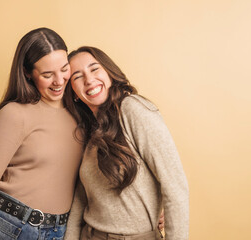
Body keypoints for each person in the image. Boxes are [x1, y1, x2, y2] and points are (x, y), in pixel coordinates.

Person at [0, 28, 84, 240]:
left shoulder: (80, 114)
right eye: (47, 74)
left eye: (64, 69)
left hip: (57, 232)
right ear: (27, 73)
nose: (59, 81)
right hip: (6, 228)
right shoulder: (15, 114)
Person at [63, 46, 189, 240]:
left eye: (94, 69)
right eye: (78, 76)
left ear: (109, 73)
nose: (89, 80)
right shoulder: (89, 130)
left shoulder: (133, 109)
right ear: (73, 92)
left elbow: (175, 187)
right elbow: (81, 199)